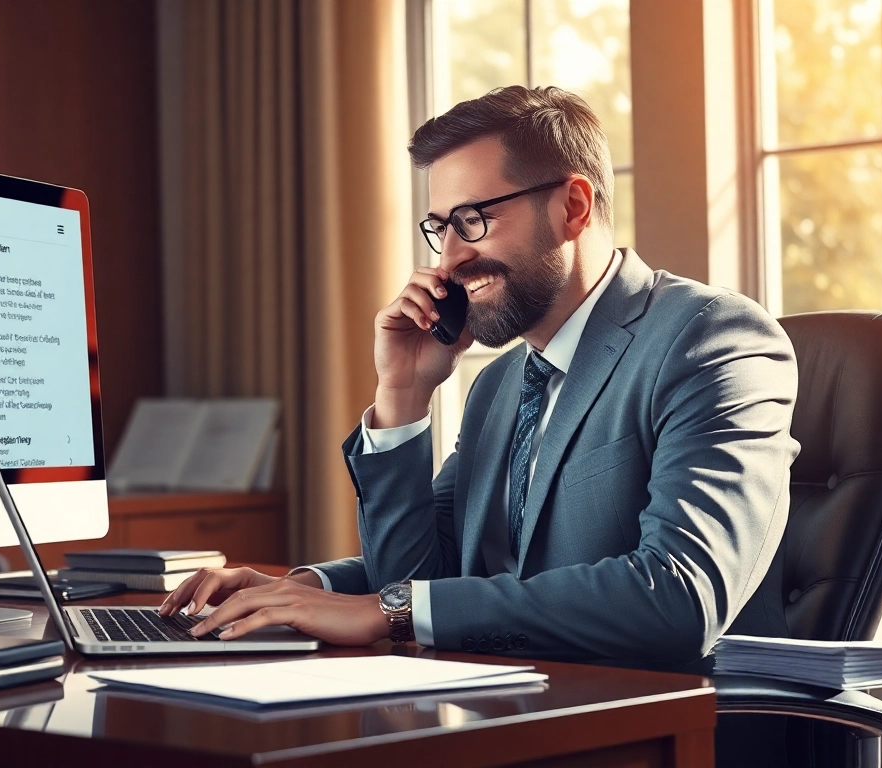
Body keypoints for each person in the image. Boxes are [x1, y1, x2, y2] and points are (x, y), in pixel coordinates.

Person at [160, 85, 800, 664]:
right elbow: (431, 571)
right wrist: (401, 398)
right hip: (515, 703)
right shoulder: (500, 385)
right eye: (442, 228)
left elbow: (677, 598)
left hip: (662, 723)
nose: (453, 258)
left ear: (572, 207)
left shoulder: (713, 340)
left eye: (474, 221)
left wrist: (385, 610)